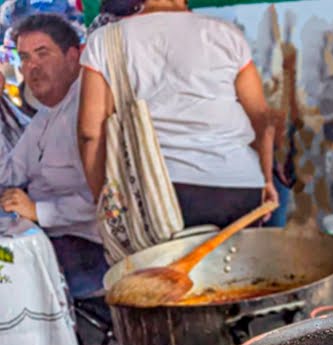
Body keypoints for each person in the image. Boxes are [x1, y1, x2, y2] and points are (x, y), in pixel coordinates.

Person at [76, 0, 275, 230]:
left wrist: (104, 200)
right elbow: (262, 120)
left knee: (166, 267)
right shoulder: (227, 35)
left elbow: (90, 133)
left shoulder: (105, 41)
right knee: (234, 264)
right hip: (239, 185)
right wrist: (266, 180)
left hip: (156, 193)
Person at [0, 13, 105, 296]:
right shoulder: (48, 112)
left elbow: (108, 199)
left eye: (41, 54)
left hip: (89, 246)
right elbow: (10, 172)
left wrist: (38, 211)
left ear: (73, 57)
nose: (31, 67)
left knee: (4, 275)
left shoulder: (89, 110)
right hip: (49, 237)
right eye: (24, 58)